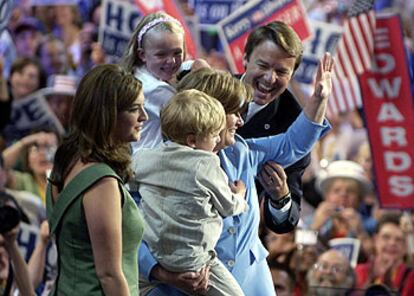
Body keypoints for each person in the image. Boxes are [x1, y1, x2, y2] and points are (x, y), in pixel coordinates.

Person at [138, 52, 333, 295]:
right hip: (182, 286)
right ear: (210, 115)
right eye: (234, 113)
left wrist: (319, 99)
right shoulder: (158, 163)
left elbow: (292, 144)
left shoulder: (241, 150)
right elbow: (131, 232)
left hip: (250, 282)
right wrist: (162, 273)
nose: (241, 121)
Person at [46, 64, 147, 295]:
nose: (144, 116)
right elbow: (109, 275)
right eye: (134, 109)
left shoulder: (65, 162)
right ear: (107, 114)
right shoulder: (101, 181)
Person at [134, 90, 248, 295]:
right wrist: (240, 196)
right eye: (214, 136)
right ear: (192, 141)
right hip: (194, 261)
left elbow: (131, 186)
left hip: (153, 255)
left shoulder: (144, 157)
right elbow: (228, 206)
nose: (216, 143)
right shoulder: (206, 163)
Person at [236, 21, 313, 233]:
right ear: (245, 59)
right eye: (263, 66)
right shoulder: (212, 91)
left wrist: (280, 196)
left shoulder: (294, 126)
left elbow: (283, 222)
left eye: (281, 71)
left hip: (236, 235)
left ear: (292, 75)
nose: (270, 78)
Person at [122, 12, 207, 151]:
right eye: (161, 54)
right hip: (146, 165)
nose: (171, 61)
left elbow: (184, 66)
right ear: (142, 54)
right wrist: (206, 74)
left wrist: (198, 64)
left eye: (177, 53)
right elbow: (198, 118)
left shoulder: (139, 71)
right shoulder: (156, 89)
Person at [355, 213, 414, 295]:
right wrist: (371, 279)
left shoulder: (411, 278)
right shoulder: (359, 272)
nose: (392, 243)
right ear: (375, 240)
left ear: (405, 247)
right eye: (386, 237)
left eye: (399, 239)